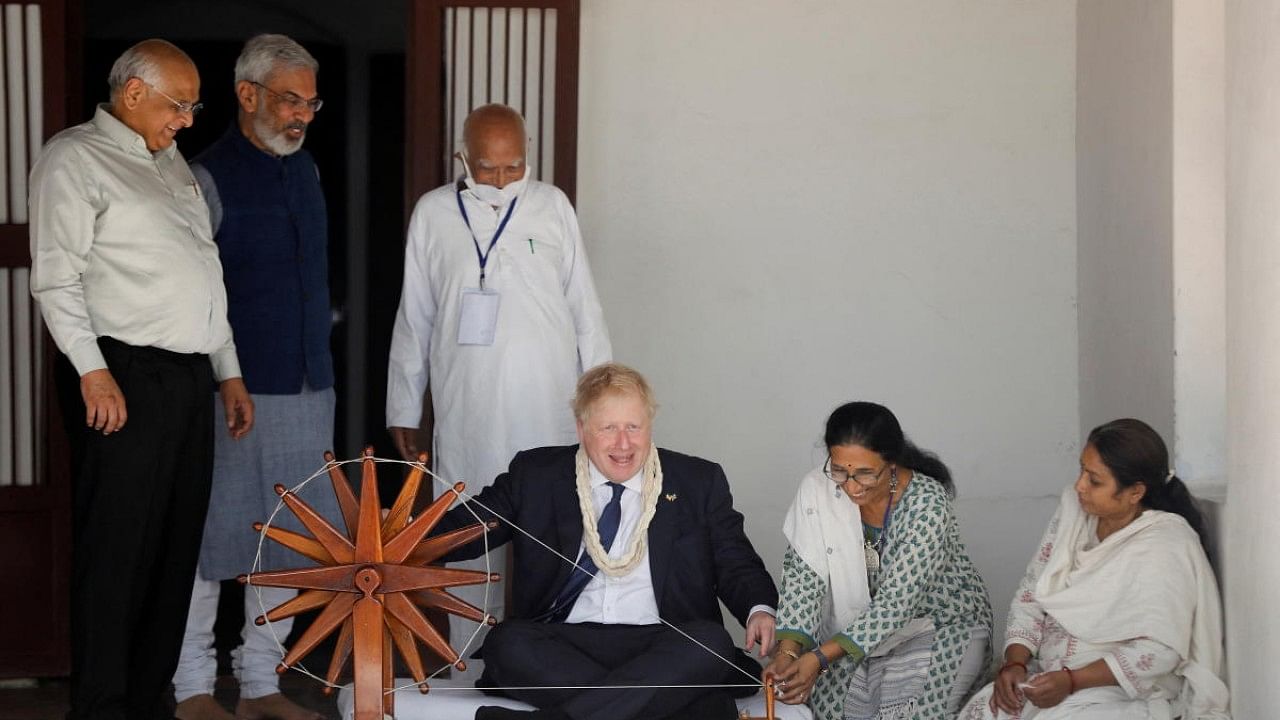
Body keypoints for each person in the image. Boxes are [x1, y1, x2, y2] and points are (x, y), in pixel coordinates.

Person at [29, 39, 254, 720]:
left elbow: (202, 273)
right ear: (132, 93)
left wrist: (228, 372)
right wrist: (92, 373)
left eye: (192, 106)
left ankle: (145, 700)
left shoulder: (169, 161)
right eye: (177, 104)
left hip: (188, 377)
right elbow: (55, 276)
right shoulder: (75, 158)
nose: (187, 118)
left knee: (172, 545)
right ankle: (99, 706)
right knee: (118, 546)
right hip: (122, 372)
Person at [386, 102, 611, 668]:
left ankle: (553, 660)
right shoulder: (434, 213)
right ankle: (463, 662)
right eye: (488, 168)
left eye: (514, 167)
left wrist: (604, 405)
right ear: (461, 157)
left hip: (550, 405)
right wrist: (404, 408)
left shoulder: (552, 206)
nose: (503, 180)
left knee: (551, 530)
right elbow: (415, 315)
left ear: (527, 153)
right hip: (469, 407)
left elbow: (585, 306)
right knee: (466, 532)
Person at [430, 363, 777, 720]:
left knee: (710, 643)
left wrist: (759, 609)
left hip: (662, 644)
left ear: (649, 426)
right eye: (608, 428)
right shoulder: (536, 475)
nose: (623, 443)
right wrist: (403, 535)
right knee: (507, 643)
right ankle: (677, 705)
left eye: (633, 427)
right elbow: (466, 530)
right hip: (565, 642)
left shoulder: (697, 481)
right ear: (582, 428)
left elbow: (736, 561)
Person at [170, 34, 335, 720]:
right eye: (289, 99)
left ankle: (263, 682)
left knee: (294, 538)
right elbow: (194, 294)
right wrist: (220, 376)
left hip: (309, 382)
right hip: (231, 388)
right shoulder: (202, 175)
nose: (301, 114)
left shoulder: (308, 171)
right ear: (247, 95)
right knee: (214, 539)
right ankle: (192, 687)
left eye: (311, 101)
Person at [960, 419, 1231, 720]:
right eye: (1081, 471)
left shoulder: (1166, 544)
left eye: (1095, 480)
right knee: (985, 710)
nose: (1080, 486)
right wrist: (1015, 663)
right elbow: (1031, 594)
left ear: (1135, 492)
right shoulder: (1074, 512)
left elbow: (1160, 650)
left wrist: (1072, 680)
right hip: (1049, 674)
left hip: (1118, 689)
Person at [758, 402, 992, 719]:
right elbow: (803, 579)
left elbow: (897, 602)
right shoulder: (817, 490)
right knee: (832, 711)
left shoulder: (927, 502)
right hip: (855, 632)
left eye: (866, 474)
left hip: (941, 624)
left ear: (891, 462)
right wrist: (788, 654)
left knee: (912, 712)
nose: (851, 486)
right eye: (839, 470)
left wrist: (819, 659)